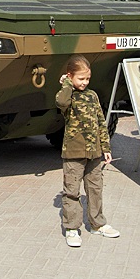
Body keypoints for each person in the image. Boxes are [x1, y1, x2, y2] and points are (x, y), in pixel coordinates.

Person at [56, 55, 119, 247]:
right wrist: (67, 84)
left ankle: (97, 224)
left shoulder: (92, 96)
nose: (84, 82)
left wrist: (105, 147)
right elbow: (61, 103)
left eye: (87, 79)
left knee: (95, 189)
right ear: (70, 76)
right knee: (72, 192)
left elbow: (101, 122)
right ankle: (72, 228)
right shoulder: (67, 95)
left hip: (94, 153)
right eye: (80, 78)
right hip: (73, 153)